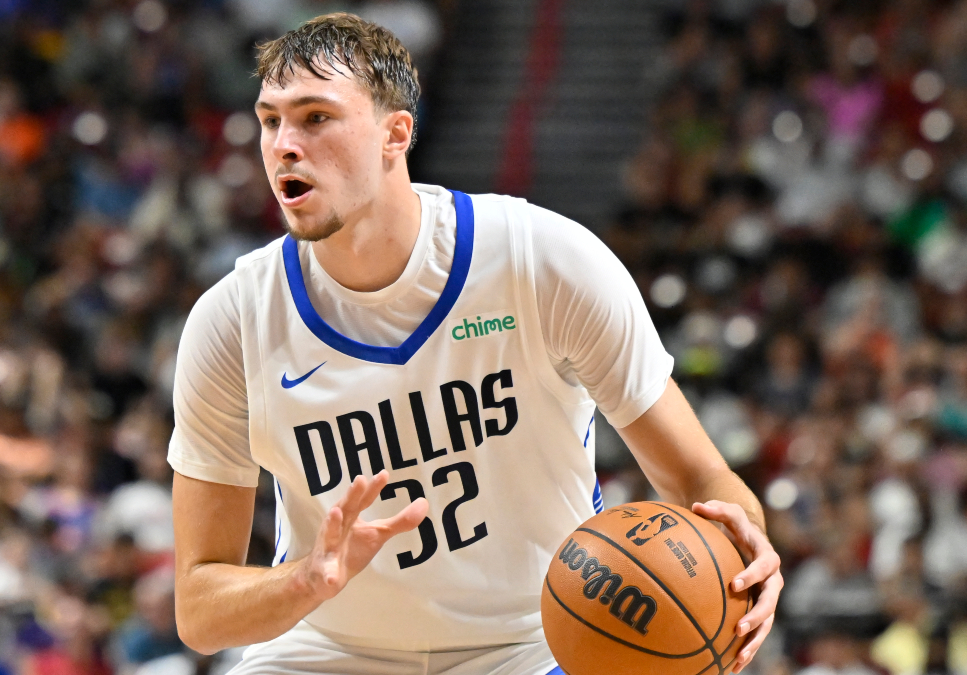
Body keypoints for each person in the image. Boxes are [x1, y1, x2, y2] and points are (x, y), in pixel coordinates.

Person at [169, 12, 784, 675]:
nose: (284, 145)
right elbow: (200, 610)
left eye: (316, 117)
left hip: (535, 644)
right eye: (270, 121)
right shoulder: (232, 322)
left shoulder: (540, 259)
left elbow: (698, 476)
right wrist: (302, 581)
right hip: (325, 651)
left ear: (395, 133)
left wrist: (744, 544)